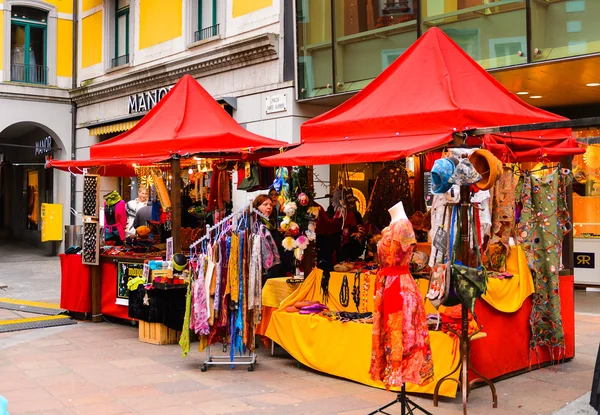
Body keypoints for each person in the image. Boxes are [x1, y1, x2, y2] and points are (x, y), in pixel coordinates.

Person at [252, 194, 293, 284]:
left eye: (270, 205)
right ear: (257, 207)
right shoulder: (255, 225)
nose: (269, 207)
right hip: (264, 271)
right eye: (265, 204)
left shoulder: (273, 224)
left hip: (278, 269)